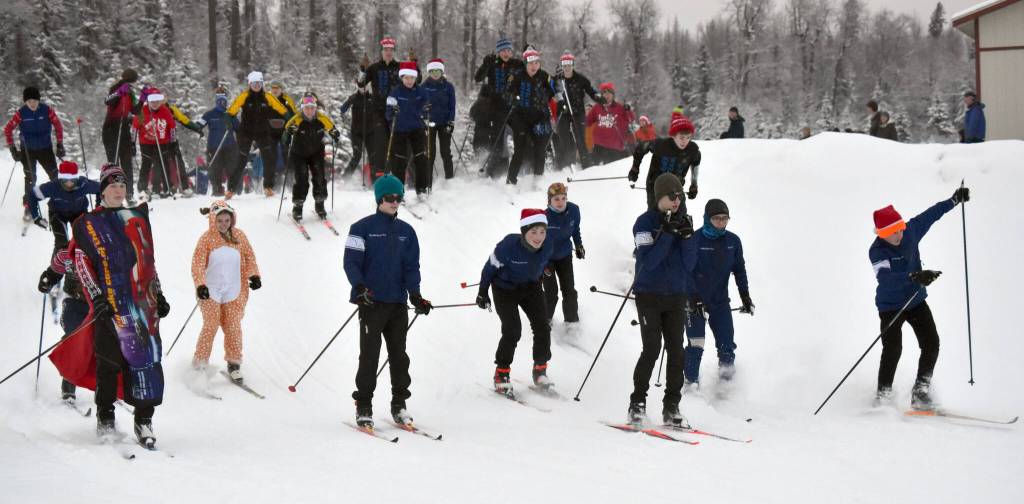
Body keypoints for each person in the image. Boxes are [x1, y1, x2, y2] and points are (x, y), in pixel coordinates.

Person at [51, 164, 170, 447]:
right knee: (109, 363)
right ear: (102, 190)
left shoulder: (136, 218)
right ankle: (105, 418)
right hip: (109, 306)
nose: (119, 191)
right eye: (113, 186)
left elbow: (147, 262)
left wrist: (159, 294)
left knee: (147, 362)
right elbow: (81, 263)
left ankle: (144, 421)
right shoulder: (88, 223)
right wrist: (97, 298)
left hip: (141, 305)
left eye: (122, 186)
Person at [869, 186, 970, 410]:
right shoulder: (877, 252)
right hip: (890, 305)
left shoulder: (911, 231)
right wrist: (915, 276)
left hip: (915, 300)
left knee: (931, 343)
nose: (898, 235)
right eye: (891, 233)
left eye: (899, 229)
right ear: (882, 234)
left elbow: (931, 214)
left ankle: (920, 392)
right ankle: (883, 394)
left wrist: (954, 201)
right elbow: (886, 279)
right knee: (893, 348)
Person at [343, 174, 432, 429]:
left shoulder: (407, 231)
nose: (395, 202)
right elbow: (351, 262)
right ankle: (364, 405)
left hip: (397, 304)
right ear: (379, 199)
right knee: (369, 356)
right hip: (371, 303)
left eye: (399, 198)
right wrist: (359, 288)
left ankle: (399, 404)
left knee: (399, 357)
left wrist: (415, 294)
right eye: (390, 198)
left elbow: (411, 267)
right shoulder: (361, 228)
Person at [627, 173, 697, 427]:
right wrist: (667, 234)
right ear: (659, 198)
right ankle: (637, 403)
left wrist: (688, 238)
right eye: (672, 197)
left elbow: (690, 264)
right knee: (652, 348)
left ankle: (672, 406)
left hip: (676, 295)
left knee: (677, 351)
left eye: (680, 196)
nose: (677, 201)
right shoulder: (644, 222)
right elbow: (648, 263)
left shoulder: (684, 219)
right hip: (649, 294)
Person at [476, 208, 555, 396]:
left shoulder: (548, 244)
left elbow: (543, 261)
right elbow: (489, 269)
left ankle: (540, 370)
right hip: (504, 289)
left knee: (543, 326)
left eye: (542, 232)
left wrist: (545, 268)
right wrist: (482, 292)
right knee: (512, 330)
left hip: (531, 287)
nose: (539, 237)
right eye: (533, 232)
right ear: (524, 232)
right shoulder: (507, 246)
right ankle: (501, 373)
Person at [190, 201, 261, 384]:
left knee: (233, 326)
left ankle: (234, 363)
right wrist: (201, 285)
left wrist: (254, 275)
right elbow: (197, 264)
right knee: (211, 324)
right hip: (211, 289)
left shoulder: (239, 236)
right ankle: (200, 363)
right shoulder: (206, 239)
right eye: (219, 220)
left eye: (226, 220)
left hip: (233, 288)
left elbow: (249, 256)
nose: (223, 224)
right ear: (213, 220)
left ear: (232, 219)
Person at [684, 199, 752, 388]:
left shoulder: (733, 241)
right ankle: (690, 385)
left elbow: (739, 270)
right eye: (716, 219)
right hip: (694, 302)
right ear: (707, 218)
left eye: (725, 218)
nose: (721, 222)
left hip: (720, 302)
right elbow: (686, 272)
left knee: (726, 345)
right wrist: (693, 297)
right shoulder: (694, 240)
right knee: (696, 344)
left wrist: (745, 296)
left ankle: (726, 387)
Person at [38, 239, 91, 404]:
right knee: (73, 341)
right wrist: (48, 278)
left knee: (102, 344)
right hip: (73, 303)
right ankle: (68, 387)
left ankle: (104, 389)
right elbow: (55, 270)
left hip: (97, 305)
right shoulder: (68, 251)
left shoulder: (103, 249)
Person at [359, 36, 420, 179]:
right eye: (386, 50)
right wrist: (363, 69)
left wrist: (413, 64)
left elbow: (418, 80)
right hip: (379, 111)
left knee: (397, 143)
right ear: (382, 51)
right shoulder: (374, 68)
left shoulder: (400, 67)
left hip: (397, 111)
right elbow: (361, 84)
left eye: (391, 50)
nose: (388, 52)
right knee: (381, 142)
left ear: (394, 51)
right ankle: (380, 174)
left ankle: (398, 174)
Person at [225, 71, 290, 198]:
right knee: (241, 159)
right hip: (246, 132)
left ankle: (268, 187)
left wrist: (290, 120)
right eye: (254, 83)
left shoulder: (268, 97)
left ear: (262, 84)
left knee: (269, 159)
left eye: (259, 83)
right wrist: (228, 122)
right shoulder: (244, 96)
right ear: (249, 84)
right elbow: (231, 111)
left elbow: (282, 110)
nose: (256, 86)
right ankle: (231, 189)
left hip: (262, 132)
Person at [5, 86, 64, 219]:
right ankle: (29, 207)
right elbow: (8, 129)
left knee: (54, 176)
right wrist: (13, 149)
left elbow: (58, 126)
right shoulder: (21, 113)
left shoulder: (47, 110)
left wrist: (59, 144)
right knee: (31, 179)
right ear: (25, 101)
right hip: (28, 150)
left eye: (35, 100)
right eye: (29, 101)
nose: (32, 103)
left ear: (38, 100)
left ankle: (59, 203)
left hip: (45, 149)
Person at [504, 46, 556, 185]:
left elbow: (554, 90)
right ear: (526, 63)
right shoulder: (516, 75)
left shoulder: (544, 76)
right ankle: (511, 182)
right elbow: (507, 92)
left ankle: (538, 181)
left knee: (540, 150)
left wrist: (551, 95)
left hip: (540, 117)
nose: (534, 66)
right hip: (520, 117)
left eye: (536, 63)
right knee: (519, 150)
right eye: (531, 63)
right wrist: (514, 97)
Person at [629, 111, 701, 210]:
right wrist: (635, 168)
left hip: (676, 187)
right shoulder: (661, 145)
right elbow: (641, 148)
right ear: (673, 136)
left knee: (680, 217)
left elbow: (696, 164)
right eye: (681, 137)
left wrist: (694, 185)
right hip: (655, 187)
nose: (685, 141)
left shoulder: (692, 150)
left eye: (688, 137)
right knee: (655, 216)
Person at [284, 96, 340, 221]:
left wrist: (335, 134)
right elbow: (285, 137)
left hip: (316, 153)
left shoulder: (322, 119)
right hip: (299, 154)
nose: (309, 111)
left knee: (320, 177)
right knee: (302, 179)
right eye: (307, 108)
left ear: (316, 108)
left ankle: (320, 204)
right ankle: (297, 207)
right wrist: (289, 133)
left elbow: (333, 129)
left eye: (312, 108)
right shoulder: (296, 119)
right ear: (302, 109)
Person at [473, 38, 524, 175]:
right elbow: (478, 78)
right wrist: (485, 64)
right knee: (497, 139)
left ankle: (521, 169)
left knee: (520, 136)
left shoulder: (517, 64)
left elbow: (526, 79)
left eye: (508, 50)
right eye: (502, 51)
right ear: (498, 52)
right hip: (496, 108)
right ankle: (492, 171)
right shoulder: (493, 63)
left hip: (513, 106)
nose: (506, 54)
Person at [27, 161, 100, 255]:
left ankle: (84, 263)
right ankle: (56, 267)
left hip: (79, 213)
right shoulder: (52, 186)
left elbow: (101, 188)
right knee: (61, 242)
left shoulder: (83, 184)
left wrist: (98, 210)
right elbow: (32, 195)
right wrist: (36, 217)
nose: (69, 183)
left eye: (73, 180)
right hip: (57, 214)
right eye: (65, 180)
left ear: (77, 178)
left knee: (84, 240)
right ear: (60, 179)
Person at [384, 61, 431, 196]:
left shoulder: (421, 92)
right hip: (399, 130)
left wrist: (426, 110)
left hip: (417, 129)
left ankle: (421, 189)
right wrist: (392, 111)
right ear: (402, 78)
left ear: (416, 78)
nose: (409, 81)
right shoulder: (395, 92)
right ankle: (399, 190)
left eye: (412, 78)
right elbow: (387, 114)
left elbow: (426, 109)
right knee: (400, 160)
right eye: (406, 78)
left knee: (421, 158)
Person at [543, 183, 583, 328]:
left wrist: (578, 245)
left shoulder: (574, 210)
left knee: (569, 290)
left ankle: (572, 323)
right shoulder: (544, 218)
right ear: (549, 201)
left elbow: (575, 229)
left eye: (563, 198)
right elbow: (535, 241)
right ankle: (544, 321)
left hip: (565, 255)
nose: (560, 202)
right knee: (551, 292)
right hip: (546, 259)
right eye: (556, 199)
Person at [552, 51, 600, 169]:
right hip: (563, 112)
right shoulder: (558, 79)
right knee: (563, 135)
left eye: (569, 65)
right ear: (562, 66)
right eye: (564, 65)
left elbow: (591, 91)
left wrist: (598, 98)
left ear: (573, 65)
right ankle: (568, 163)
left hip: (578, 112)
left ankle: (586, 165)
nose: (567, 68)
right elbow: (553, 92)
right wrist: (560, 101)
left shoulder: (580, 79)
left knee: (580, 138)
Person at [132, 89, 180, 199]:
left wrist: (173, 142)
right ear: (148, 101)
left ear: (161, 101)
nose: (155, 104)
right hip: (146, 143)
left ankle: (167, 187)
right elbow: (134, 128)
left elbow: (172, 127)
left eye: (157, 101)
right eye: (152, 101)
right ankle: (142, 188)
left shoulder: (165, 111)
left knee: (163, 164)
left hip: (163, 142)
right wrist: (132, 143)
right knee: (146, 164)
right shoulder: (142, 111)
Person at [102, 69, 139, 200]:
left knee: (127, 163)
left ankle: (129, 194)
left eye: (132, 83)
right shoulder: (115, 88)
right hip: (111, 128)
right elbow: (108, 101)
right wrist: (119, 93)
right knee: (113, 164)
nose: (131, 85)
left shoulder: (131, 93)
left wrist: (143, 100)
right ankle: (112, 194)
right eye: (129, 83)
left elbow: (135, 111)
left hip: (124, 129)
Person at [200, 87, 239, 196]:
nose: (221, 102)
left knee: (231, 169)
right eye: (219, 99)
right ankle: (217, 189)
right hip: (214, 147)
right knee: (214, 170)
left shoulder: (231, 114)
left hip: (230, 147)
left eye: (223, 100)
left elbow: (239, 129)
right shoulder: (209, 114)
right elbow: (199, 125)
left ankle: (231, 189)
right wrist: (198, 130)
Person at [422, 58, 457, 180]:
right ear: (429, 72)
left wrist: (450, 122)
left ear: (442, 72)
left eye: (437, 71)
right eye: (432, 71)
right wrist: (423, 110)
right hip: (429, 123)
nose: (435, 74)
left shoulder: (448, 87)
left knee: (445, 153)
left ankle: (449, 179)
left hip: (444, 123)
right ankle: (427, 182)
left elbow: (452, 106)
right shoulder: (424, 87)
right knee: (429, 154)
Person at [586, 82, 633, 165]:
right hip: (599, 146)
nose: (607, 96)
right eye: (604, 93)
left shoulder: (619, 107)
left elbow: (630, 119)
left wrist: (628, 110)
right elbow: (587, 121)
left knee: (612, 171)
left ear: (613, 95)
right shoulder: (597, 107)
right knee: (593, 170)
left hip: (614, 147)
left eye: (609, 93)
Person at [339, 82, 376, 179]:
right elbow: (342, 109)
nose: (363, 88)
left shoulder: (373, 98)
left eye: (365, 86)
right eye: (361, 86)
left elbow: (382, 109)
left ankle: (374, 181)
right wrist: (344, 113)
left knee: (373, 157)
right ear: (358, 87)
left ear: (369, 86)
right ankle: (345, 178)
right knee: (357, 155)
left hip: (370, 132)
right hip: (356, 132)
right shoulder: (353, 98)